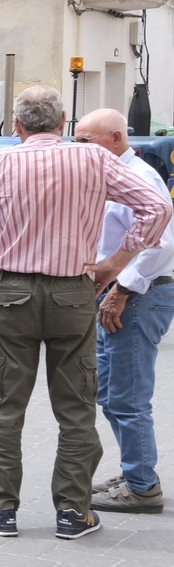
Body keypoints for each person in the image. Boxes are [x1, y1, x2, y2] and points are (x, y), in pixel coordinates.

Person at [0, 87, 171, 540]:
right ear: (63, 124)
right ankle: (74, 514)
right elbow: (158, 207)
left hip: (13, 292)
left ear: (17, 126)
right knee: (76, 408)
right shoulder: (95, 161)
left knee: (6, 406)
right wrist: (115, 264)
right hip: (74, 294)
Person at [77, 109, 174, 514]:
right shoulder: (111, 175)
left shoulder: (139, 179)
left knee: (128, 398)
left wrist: (120, 290)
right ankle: (136, 471)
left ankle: (141, 486)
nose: (76, 149)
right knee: (112, 394)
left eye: (86, 142)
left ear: (116, 139)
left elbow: (161, 245)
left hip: (137, 295)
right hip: (120, 294)